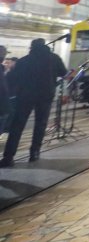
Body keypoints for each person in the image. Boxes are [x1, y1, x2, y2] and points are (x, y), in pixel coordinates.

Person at [0, 38, 67, 166]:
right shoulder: (54, 58)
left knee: (17, 126)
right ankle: (34, 153)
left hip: (25, 96)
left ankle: (8, 157)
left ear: (32, 47)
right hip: (45, 96)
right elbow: (63, 73)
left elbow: (13, 78)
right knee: (40, 124)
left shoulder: (24, 60)